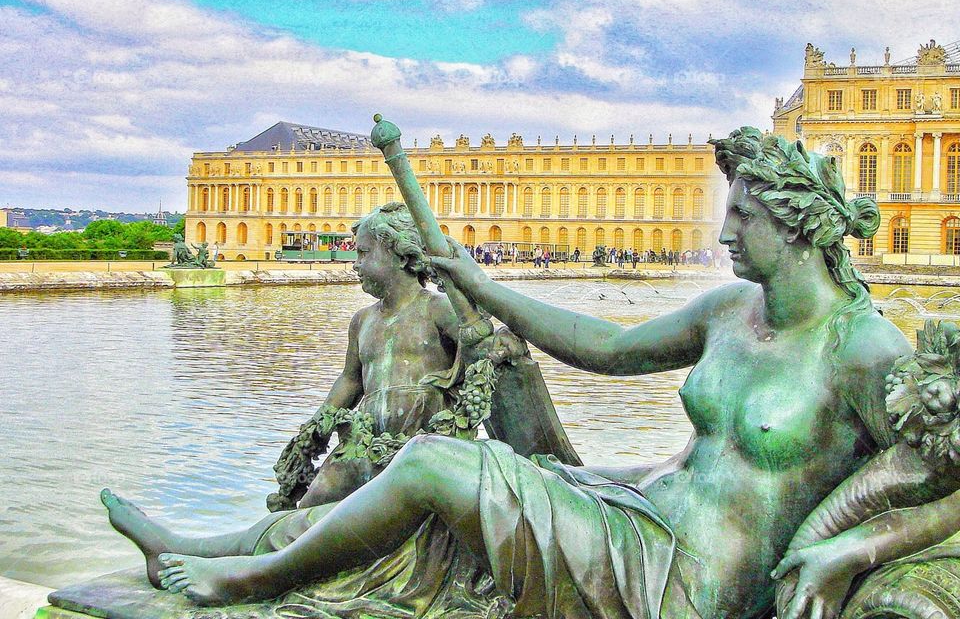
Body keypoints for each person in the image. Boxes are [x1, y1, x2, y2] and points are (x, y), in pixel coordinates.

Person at [103, 128, 916, 618]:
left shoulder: (864, 348)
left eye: (743, 214)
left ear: (798, 222)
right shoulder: (729, 312)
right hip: (639, 509)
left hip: (687, 584)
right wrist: (488, 288)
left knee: (430, 465)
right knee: (426, 510)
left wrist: (847, 551)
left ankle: (244, 579)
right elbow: (604, 346)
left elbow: (950, 473)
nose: (724, 228)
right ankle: (204, 544)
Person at [263, 202, 464, 510]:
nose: (355, 263)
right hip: (365, 438)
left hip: (421, 441)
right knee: (313, 502)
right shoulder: (362, 320)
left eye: (363, 253)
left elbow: (479, 356)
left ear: (401, 255)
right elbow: (351, 379)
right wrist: (315, 425)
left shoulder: (438, 309)